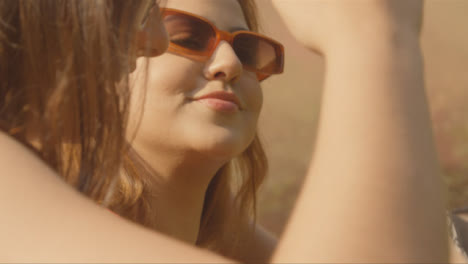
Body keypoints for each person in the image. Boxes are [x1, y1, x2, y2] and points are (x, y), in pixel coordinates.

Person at [0, 0, 449, 263]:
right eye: (190, 36)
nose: (230, 65)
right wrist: (372, 36)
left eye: (249, 49)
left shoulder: (220, 227)